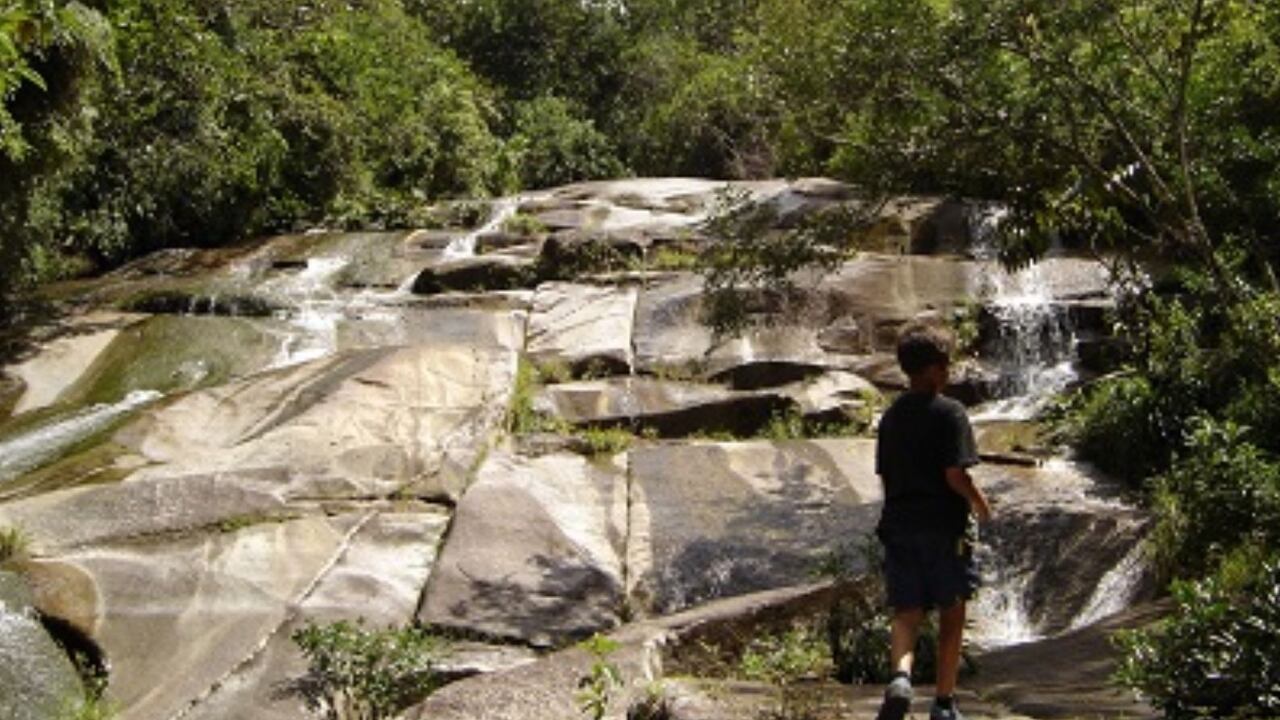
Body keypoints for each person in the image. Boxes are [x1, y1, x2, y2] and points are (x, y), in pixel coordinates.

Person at [873, 323, 993, 720]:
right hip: (944, 528)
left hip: (900, 526)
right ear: (937, 369)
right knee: (952, 609)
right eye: (946, 365)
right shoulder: (951, 413)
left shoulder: (890, 418)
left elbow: (886, 477)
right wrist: (979, 504)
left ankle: (901, 678)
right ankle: (943, 703)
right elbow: (954, 475)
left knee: (907, 612)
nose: (948, 372)